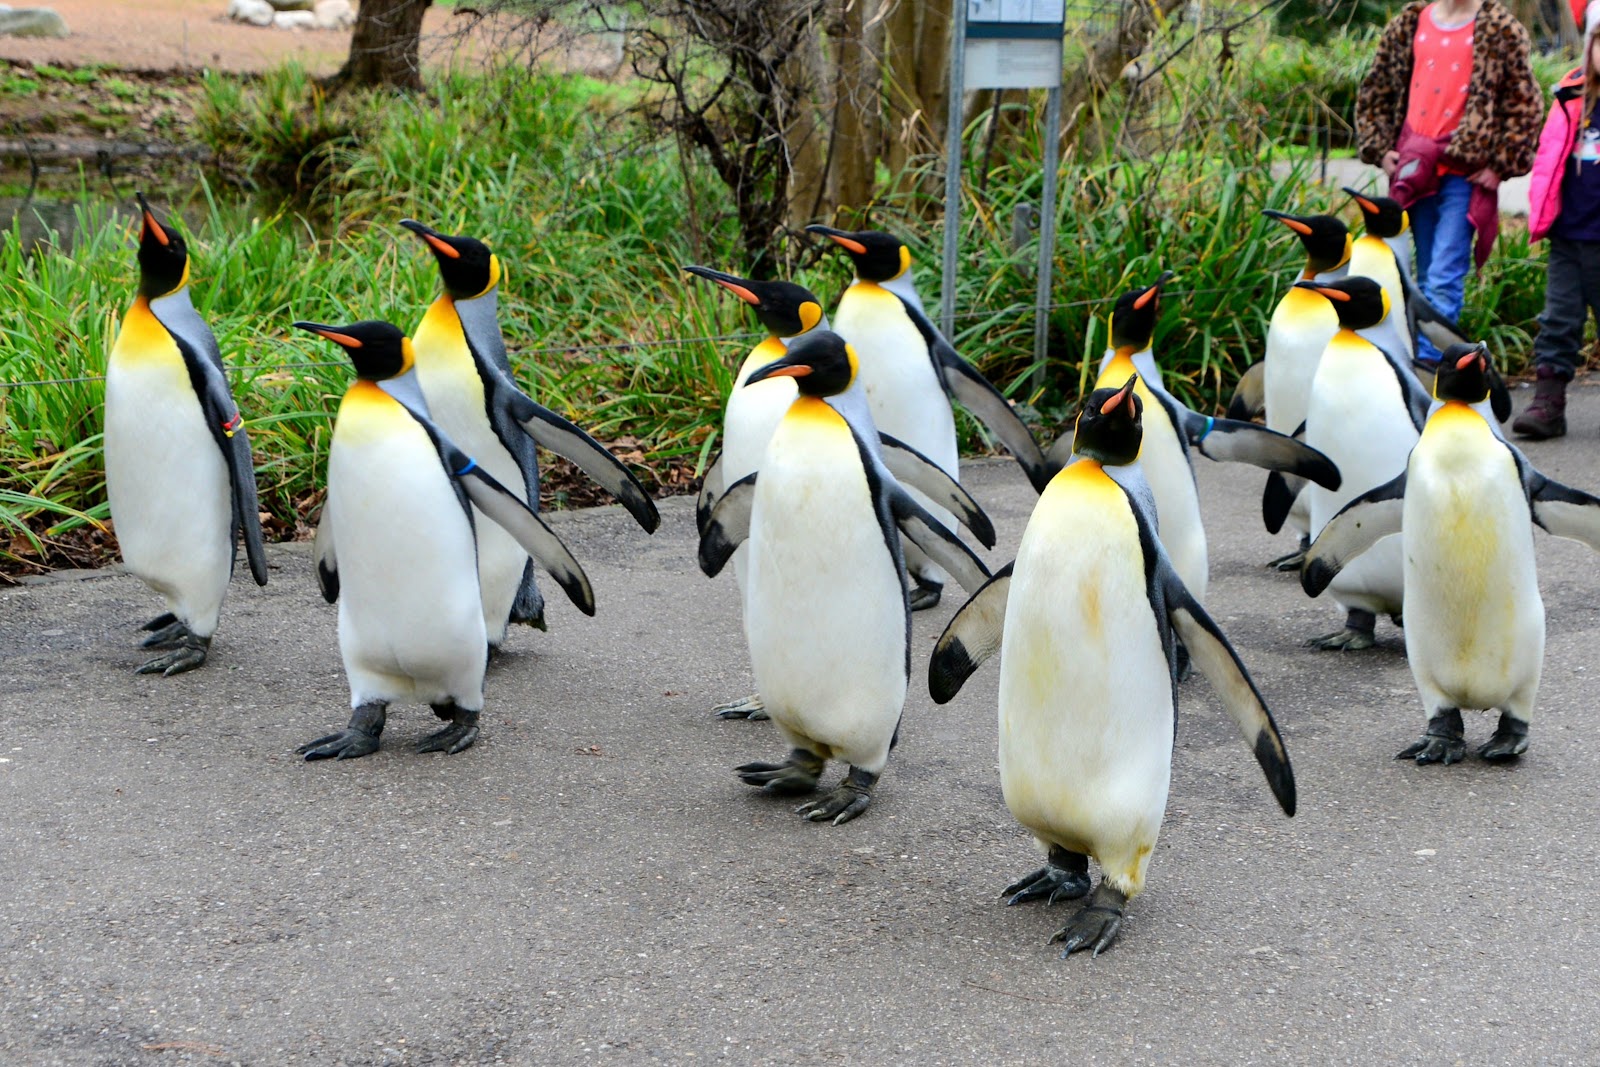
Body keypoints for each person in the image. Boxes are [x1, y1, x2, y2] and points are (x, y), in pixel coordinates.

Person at [1355, 0, 1544, 369]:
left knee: (1444, 273)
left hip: (1464, 172)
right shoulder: (1410, 24)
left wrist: (1499, 163)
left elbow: (1524, 102)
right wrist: (1380, 149)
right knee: (1424, 269)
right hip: (1415, 165)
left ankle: (1431, 367)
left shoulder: (1499, 27)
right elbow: (1376, 90)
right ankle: (1422, 362)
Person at [1518, 5, 1600, 439]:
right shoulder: (1571, 99)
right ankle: (1548, 403)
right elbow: (1550, 157)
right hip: (1569, 236)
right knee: (1558, 321)